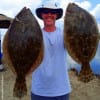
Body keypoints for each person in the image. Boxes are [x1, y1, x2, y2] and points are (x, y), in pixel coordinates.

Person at [31, 1, 71, 100]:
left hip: (62, 90)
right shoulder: (34, 35)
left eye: (53, 12)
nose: (49, 14)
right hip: (39, 90)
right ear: (41, 15)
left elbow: (76, 47)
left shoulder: (66, 35)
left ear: (57, 15)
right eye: (45, 11)